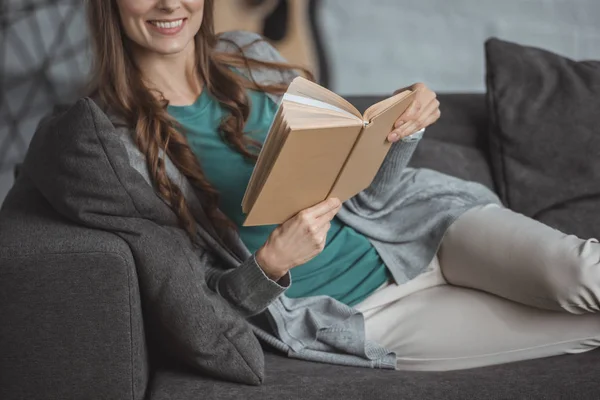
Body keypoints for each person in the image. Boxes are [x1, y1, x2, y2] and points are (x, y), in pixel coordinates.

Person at [85, 0, 600, 371]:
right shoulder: (112, 143)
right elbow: (192, 311)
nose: (170, 4)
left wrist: (402, 126)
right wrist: (270, 265)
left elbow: (367, 194)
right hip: (363, 315)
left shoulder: (248, 54)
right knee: (583, 327)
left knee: (581, 273)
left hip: (427, 230)